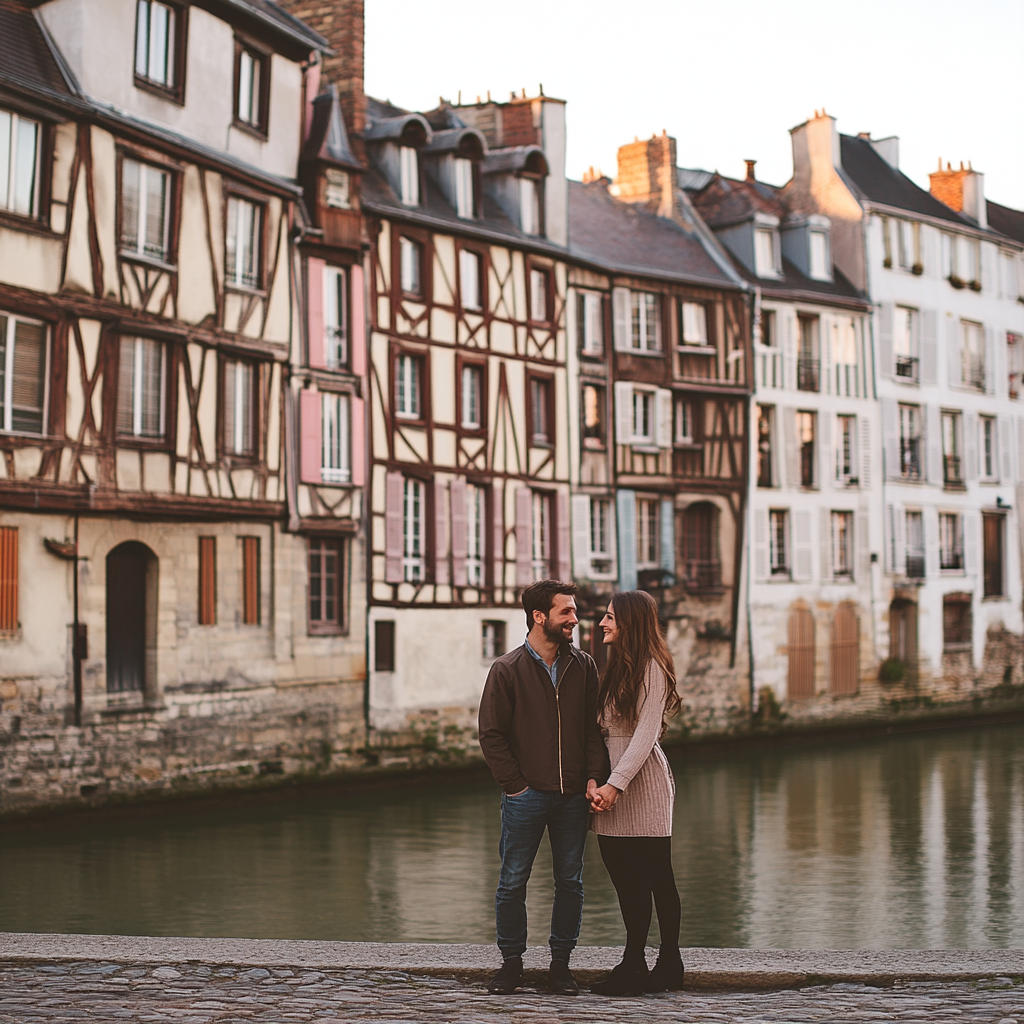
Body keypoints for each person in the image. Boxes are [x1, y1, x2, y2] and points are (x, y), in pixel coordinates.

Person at [478, 579, 610, 996]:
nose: (575, 618)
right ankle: (511, 965)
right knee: (512, 880)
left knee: (570, 881)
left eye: (573, 611)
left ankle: (560, 967)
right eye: (565, 612)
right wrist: (515, 786)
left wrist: (592, 775)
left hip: (573, 795)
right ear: (539, 617)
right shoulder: (507, 669)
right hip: (526, 796)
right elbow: (491, 735)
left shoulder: (584, 665)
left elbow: (593, 729)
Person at [587, 590, 684, 996]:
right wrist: (594, 781)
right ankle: (633, 962)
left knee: (657, 877)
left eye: (609, 617)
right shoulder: (613, 671)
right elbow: (598, 734)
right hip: (608, 787)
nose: (602, 624)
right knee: (625, 881)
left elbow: (644, 736)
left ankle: (669, 962)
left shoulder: (651, 668)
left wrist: (615, 784)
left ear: (630, 622)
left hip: (641, 785)